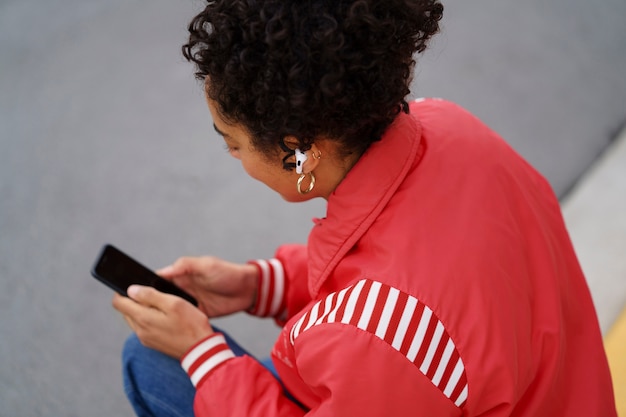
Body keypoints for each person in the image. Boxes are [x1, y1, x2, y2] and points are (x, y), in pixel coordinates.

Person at [112, 0, 618, 415]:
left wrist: (203, 354)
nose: (232, 158)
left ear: (299, 151)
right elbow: (382, 269)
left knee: (149, 358)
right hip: (561, 390)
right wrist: (261, 283)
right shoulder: (448, 126)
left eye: (233, 144)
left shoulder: (379, 339)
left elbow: (383, 316)